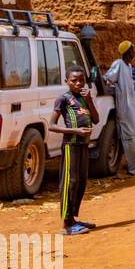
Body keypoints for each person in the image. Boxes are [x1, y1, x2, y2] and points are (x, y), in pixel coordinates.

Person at [49, 67, 98, 235]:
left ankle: (73, 219)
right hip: (71, 144)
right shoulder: (63, 99)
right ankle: (67, 223)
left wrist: (89, 100)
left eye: (81, 80)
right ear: (66, 81)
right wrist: (75, 131)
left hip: (84, 144)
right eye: (74, 80)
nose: (78, 83)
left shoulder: (84, 98)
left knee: (81, 181)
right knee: (69, 182)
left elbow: (96, 120)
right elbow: (52, 126)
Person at [104, 40, 135, 176]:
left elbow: (130, 89)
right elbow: (108, 78)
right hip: (124, 108)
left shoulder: (129, 67)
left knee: (134, 136)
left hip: (131, 107)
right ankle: (134, 169)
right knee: (129, 137)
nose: (134, 51)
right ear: (127, 51)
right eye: (132, 49)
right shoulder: (118, 64)